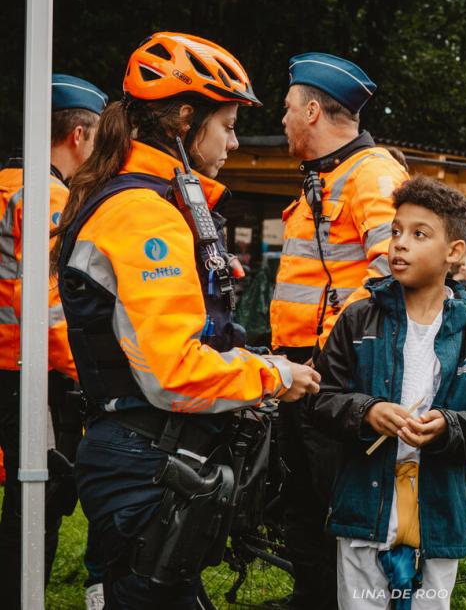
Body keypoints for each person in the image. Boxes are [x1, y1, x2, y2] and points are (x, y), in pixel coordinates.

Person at [51, 32, 319, 608]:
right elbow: (171, 372)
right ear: (184, 120)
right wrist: (273, 375)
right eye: (227, 125)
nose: (234, 141)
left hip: (142, 454)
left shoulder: (146, 199)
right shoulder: (146, 214)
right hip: (145, 460)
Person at [310, 176, 466, 609]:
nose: (400, 244)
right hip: (364, 515)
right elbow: (320, 399)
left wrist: (449, 426)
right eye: (396, 231)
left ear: (453, 252)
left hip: (437, 519)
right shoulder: (358, 320)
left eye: (419, 234)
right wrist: (367, 412)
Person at [272, 52, 409, 609]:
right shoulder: (325, 175)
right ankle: (312, 596)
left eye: (287, 108)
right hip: (302, 368)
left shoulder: (372, 172)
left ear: (311, 111)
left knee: (334, 500)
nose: (282, 119)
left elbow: (392, 269)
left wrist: (329, 352)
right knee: (303, 499)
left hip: (334, 371)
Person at [0, 74, 106, 610]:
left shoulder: (5, 183)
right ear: (79, 136)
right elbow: (48, 305)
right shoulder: (49, 197)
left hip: (9, 365)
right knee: (36, 492)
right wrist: (81, 371)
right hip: (28, 371)